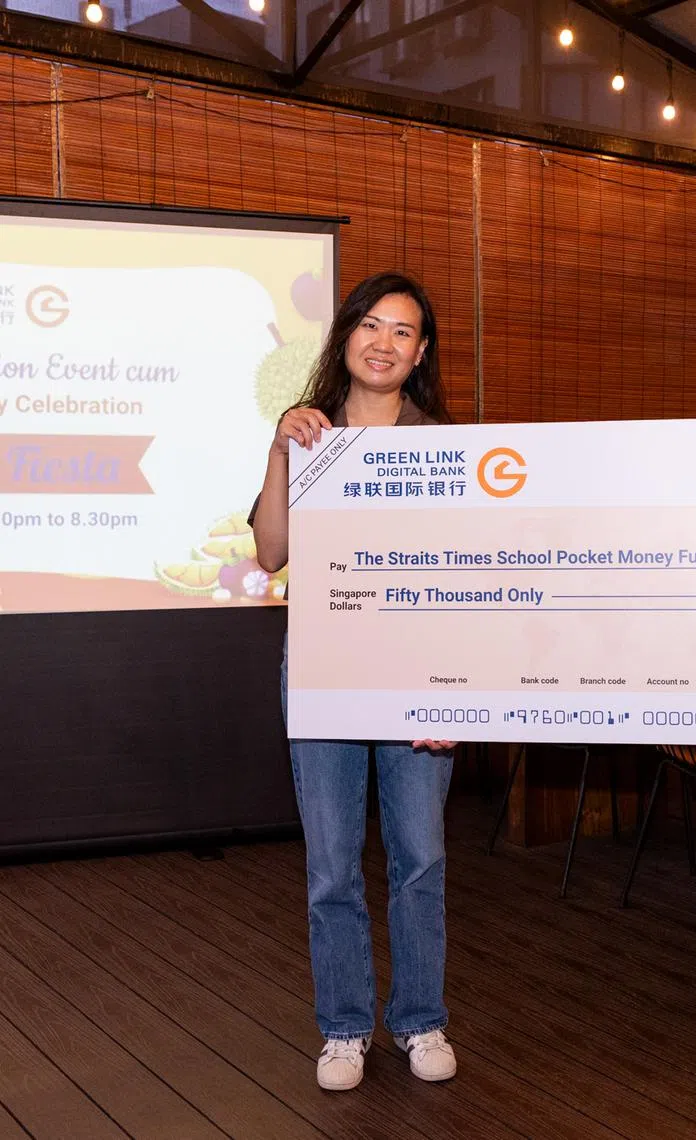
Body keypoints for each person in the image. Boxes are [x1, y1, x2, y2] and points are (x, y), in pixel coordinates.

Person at [252, 272, 458, 1092]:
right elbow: (271, 553)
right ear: (345, 337)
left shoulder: (447, 447)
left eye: (403, 331)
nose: (384, 342)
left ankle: (420, 1019)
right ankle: (343, 1029)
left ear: (421, 352)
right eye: (370, 325)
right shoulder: (309, 434)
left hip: (420, 674)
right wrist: (278, 450)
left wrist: (460, 691)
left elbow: (470, 576)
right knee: (332, 863)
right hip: (325, 670)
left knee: (421, 858)